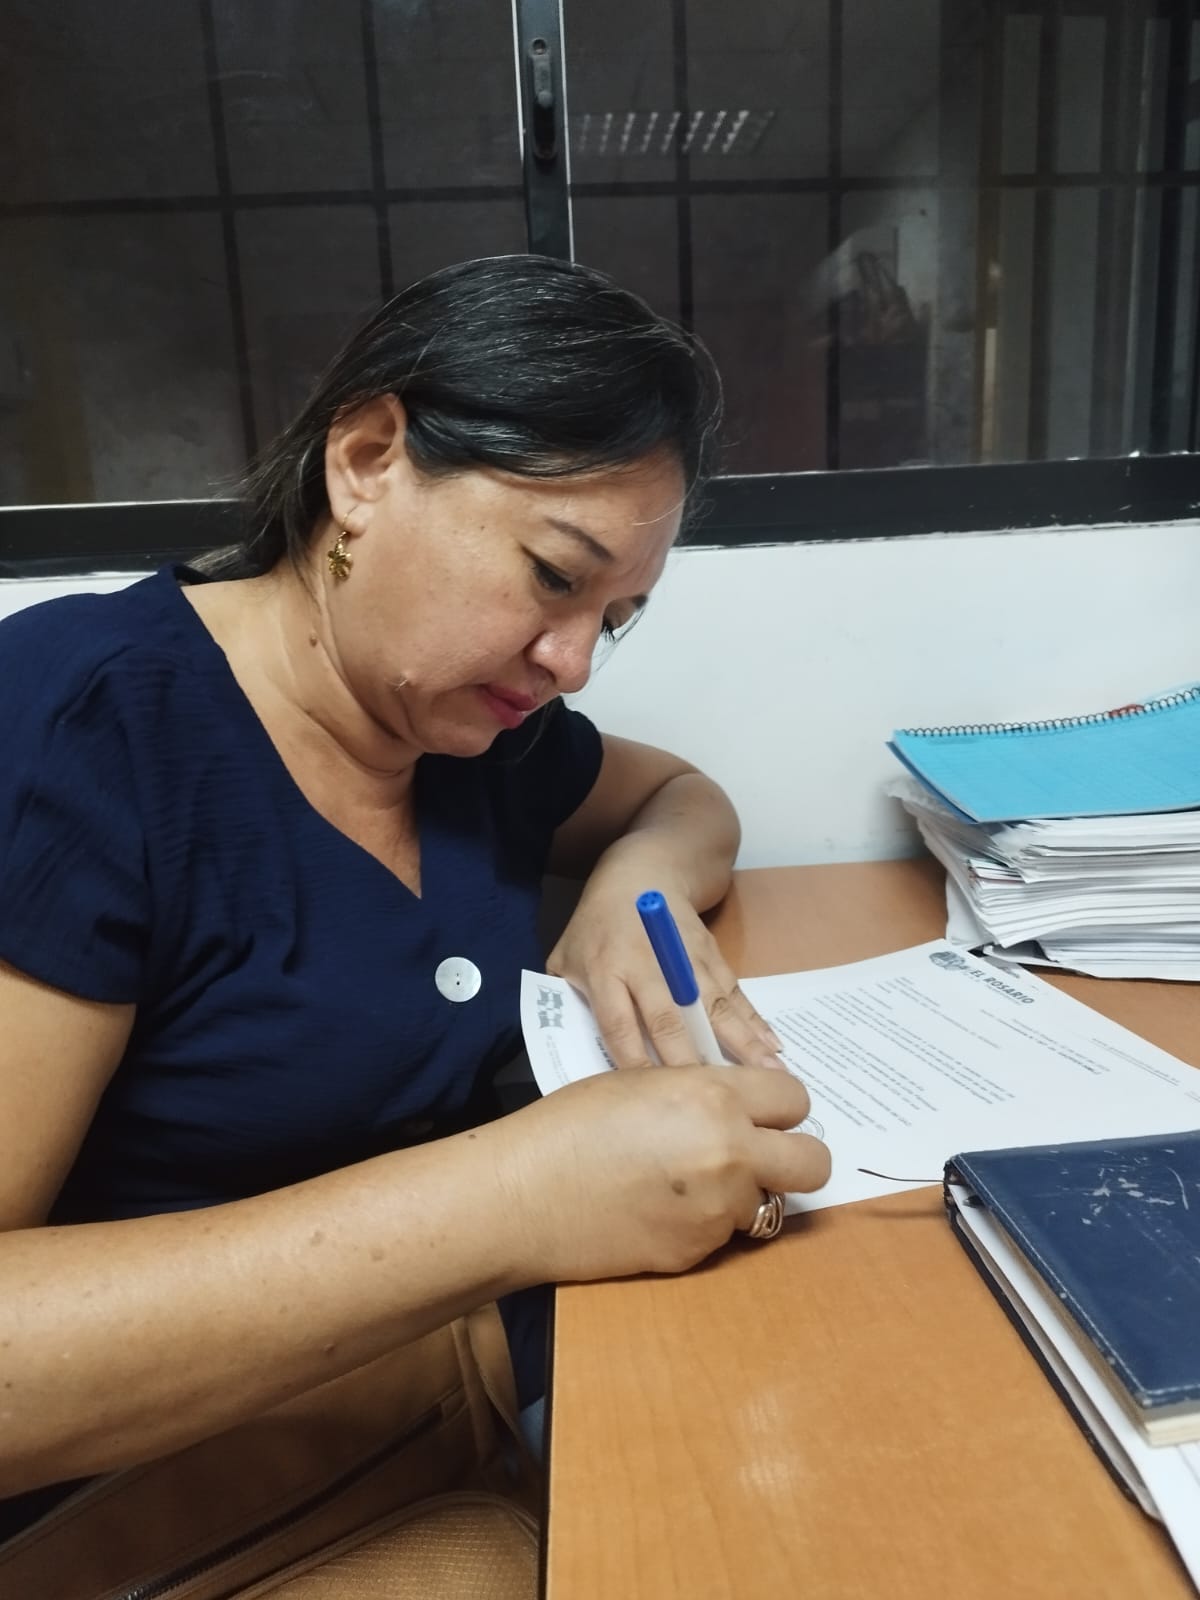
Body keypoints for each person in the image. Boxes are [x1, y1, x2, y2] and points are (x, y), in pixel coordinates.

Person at [0, 254, 830, 1537]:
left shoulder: (468, 732)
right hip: (151, 1504)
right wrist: (520, 1196)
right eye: (553, 575)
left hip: (439, 1419)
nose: (572, 663)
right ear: (368, 462)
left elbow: (685, 799)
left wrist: (634, 885)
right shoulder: (85, 723)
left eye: (614, 618)